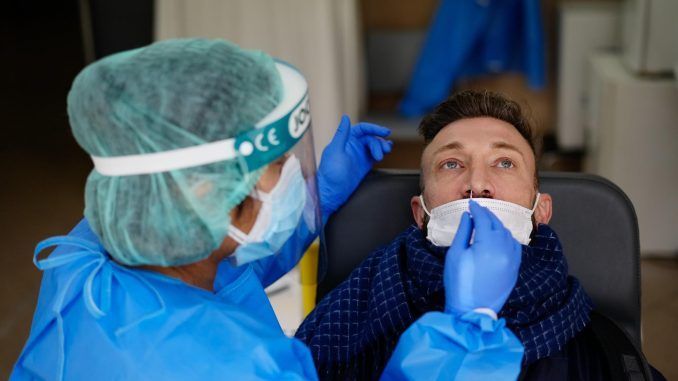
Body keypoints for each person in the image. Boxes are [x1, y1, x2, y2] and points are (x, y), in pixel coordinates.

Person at [13, 39, 528, 380]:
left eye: (504, 163)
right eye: (284, 164)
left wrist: (318, 197)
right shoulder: (247, 367)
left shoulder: (87, 258)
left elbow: (219, 263)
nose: (477, 185)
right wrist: (469, 328)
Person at [296, 90, 667, 381]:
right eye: (452, 164)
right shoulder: (349, 317)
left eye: (504, 163)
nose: (477, 185)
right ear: (419, 213)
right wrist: (313, 203)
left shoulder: (604, 350)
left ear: (541, 210)